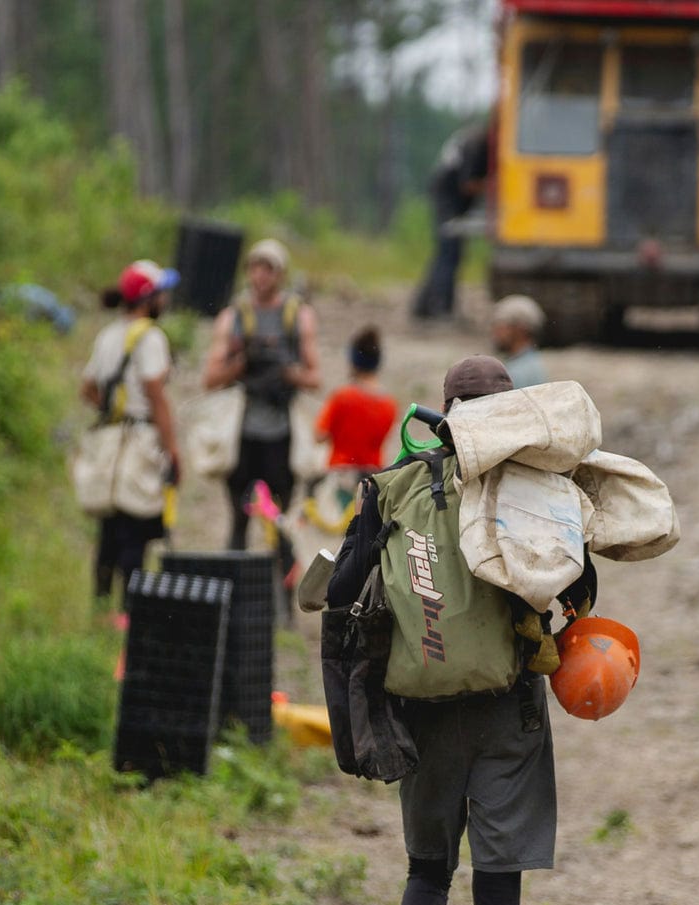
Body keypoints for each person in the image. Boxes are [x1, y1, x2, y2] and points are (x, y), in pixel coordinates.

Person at [328, 356, 557, 905]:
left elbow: (343, 589)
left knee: (428, 867)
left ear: (446, 410)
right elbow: (574, 583)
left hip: (421, 708)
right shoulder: (533, 489)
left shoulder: (393, 486)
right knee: (498, 875)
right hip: (508, 710)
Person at [201, 238, 321, 578]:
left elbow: (315, 377)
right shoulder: (233, 318)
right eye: (255, 267)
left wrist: (285, 371)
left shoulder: (298, 317)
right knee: (239, 518)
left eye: (268, 269)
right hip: (243, 433)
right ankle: (233, 590)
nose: (260, 276)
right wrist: (242, 362)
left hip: (281, 434)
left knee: (281, 521)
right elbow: (210, 378)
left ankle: (283, 602)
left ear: (280, 274)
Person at [80, 259, 181, 611]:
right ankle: (128, 614)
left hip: (109, 443)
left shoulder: (109, 334)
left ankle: (100, 607)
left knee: (109, 529)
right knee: (136, 530)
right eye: (161, 294)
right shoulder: (151, 338)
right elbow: (156, 395)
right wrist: (172, 448)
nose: (165, 300)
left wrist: (112, 409)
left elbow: (88, 388)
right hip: (138, 443)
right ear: (148, 298)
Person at [412, 123, 491, 320]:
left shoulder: (477, 139)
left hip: (452, 200)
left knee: (448, 253)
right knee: (449, 252)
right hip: (447, 199)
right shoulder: (477, 144)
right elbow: (468, 184)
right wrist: (496, 185)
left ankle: (423, 306)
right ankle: (440, 309)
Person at [314, 326, 398, 472]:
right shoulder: (389, 404)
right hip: (372, 477)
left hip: (340, 474)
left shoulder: (342, 397)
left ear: (353, 360)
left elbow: (319, 436)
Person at [491, 294, 548, 389]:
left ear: (520, 329)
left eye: (501, 326)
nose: (495, 333)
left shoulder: (519, 373)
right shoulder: (530, 365)